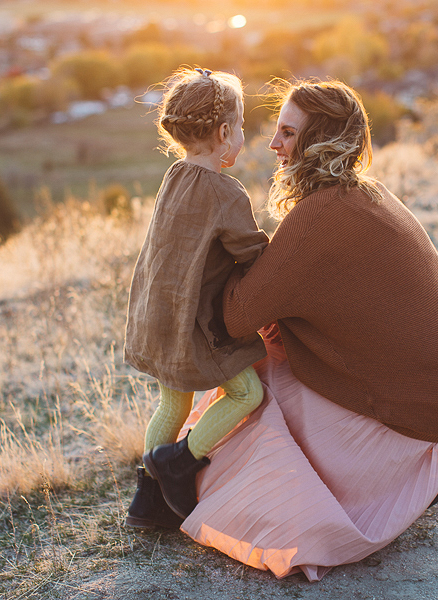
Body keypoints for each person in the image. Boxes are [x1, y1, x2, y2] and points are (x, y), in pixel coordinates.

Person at [166, 79, 438, 581]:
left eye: (288, 133)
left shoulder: (318, 217)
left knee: (262, 386)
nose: (274, 144)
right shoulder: (368, 192)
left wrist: (221, 254)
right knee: (278, 351)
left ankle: (174, 475)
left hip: (434, 404)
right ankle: (407, 480)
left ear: (319, 141)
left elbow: (236, 316)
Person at [122, 67, 269, 527]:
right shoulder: (227, 193)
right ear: (225, 132)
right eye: (241, 127)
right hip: (193, 325)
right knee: (247, 393)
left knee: (173, 403)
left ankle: (148, 499)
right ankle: (181, 462)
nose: (242, 135)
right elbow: (252, 253)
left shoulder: (174, 175)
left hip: (158, 316)